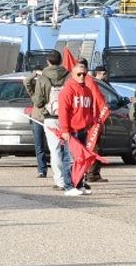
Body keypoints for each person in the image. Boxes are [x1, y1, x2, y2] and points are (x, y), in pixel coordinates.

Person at [29, 51, 69, 187]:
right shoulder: (69, 76)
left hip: (51, 117)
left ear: (48, 62)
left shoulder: (43, 78)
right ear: (61, 61)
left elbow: (39, 102)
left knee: (55, 150)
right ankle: (73, 178)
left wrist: (34, 97)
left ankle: (60, 181)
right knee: (69, 151)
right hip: (68, 117)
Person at [56, 60, 96, 196]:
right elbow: (63, 112)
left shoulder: (88, 91)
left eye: (84, 74)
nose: (82, 76)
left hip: (83, 130)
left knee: (81, 159)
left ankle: (78, 184)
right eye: (79, 74)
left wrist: (90, 123)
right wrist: (65, 130)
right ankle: (68, 186)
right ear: (72, 73)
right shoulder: (67, 90)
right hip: (71, 131)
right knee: (70, 159)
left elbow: (89, 110)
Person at [23, 62, 51, 179]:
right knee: (39, 145)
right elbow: (26, 82)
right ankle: (42, 169)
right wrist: (34, 74)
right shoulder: (34, 90)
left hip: (50, 117)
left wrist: (44, 75)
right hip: (37, 118)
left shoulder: (50, 85)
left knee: (53, 145)